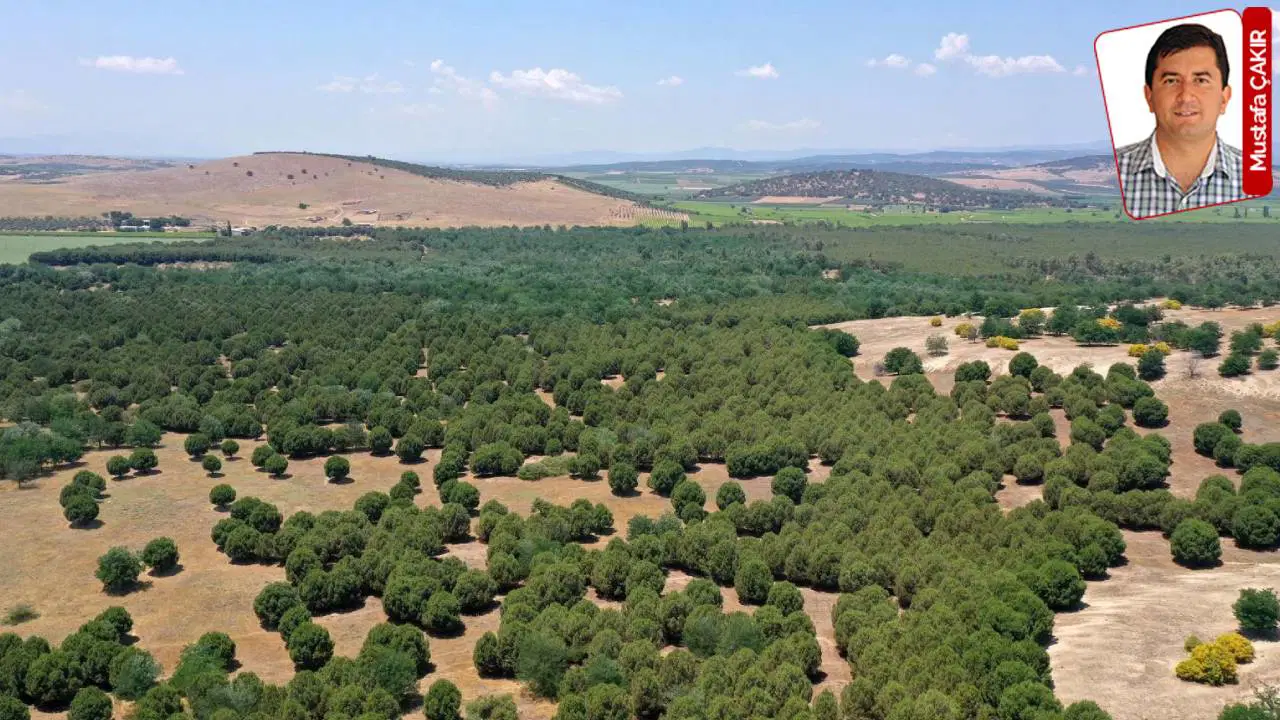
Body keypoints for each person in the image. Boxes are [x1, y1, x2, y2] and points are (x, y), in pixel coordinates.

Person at [1116, 23, 1245, 218]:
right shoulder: (1114, 173)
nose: (1185, 96)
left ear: (1224, 98)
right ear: (1149, 96)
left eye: (1201, 80)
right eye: (1171, 81)